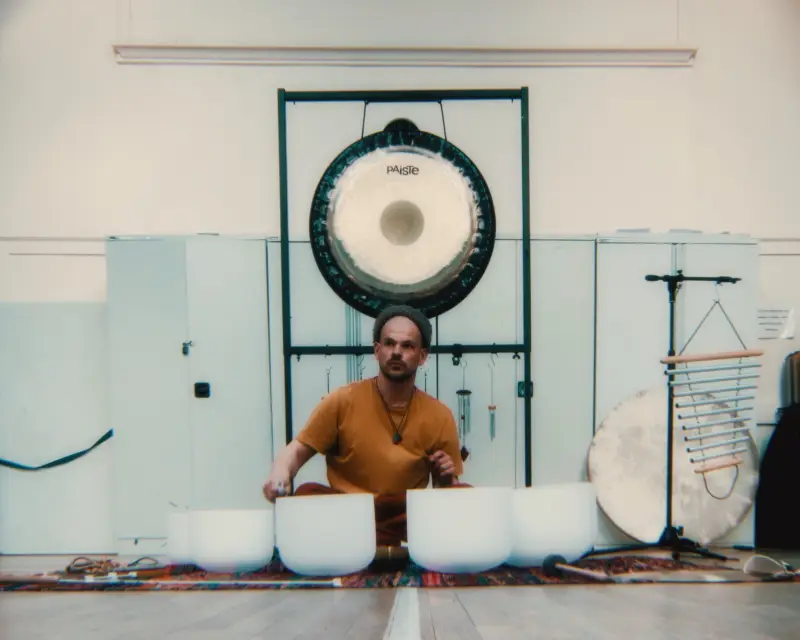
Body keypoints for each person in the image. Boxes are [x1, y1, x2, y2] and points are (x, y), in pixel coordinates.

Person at [262, 304, 467, 546]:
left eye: (407, 346)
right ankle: (375, 541)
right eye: (389, 344)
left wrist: (444, 478)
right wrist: (280, 472)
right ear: (377, 351)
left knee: (464, 497)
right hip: (348, 511)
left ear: (422, 356)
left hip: (401, 513)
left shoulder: (439, 415)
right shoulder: (342, 400)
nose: (397, 352)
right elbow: (297, 450)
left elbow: (446, 492)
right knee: (307, 493)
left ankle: (368, 540)